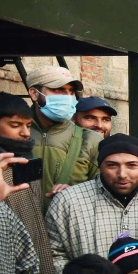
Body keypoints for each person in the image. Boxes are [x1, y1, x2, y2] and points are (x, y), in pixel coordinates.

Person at [45, 134, 138, 274]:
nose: (122, 174)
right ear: (100, 166)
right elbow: (54, 254)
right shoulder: (68, 201)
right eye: (112, 165)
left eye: (131, 165)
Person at [0, 93, 63, 274]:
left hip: (35, 259)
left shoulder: (25, 162)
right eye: (15, 125)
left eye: (27, 125)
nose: (25, 133)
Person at [24, 66, 101, 201]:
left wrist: (76, 194)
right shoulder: (14, 134)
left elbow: (105, 191)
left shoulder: (90, 139)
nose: (67, 97)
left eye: (71, 91)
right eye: (58, 90)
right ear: (34, 93)